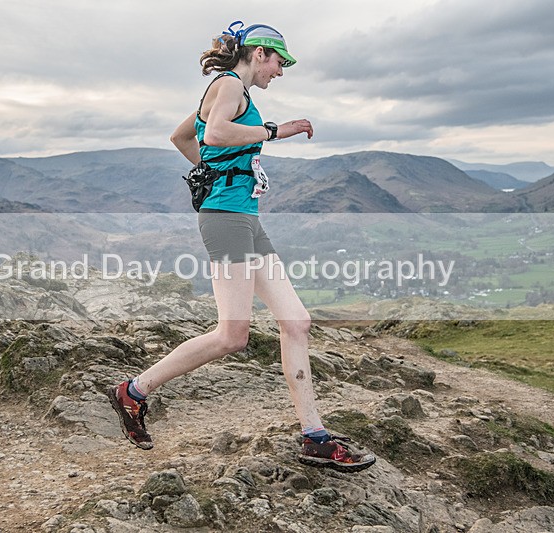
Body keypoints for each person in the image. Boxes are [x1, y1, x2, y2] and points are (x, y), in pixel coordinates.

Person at [108, 21, 376, 473]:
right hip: (227, 223)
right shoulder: (231, 85)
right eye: (279, 61)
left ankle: (314, 437)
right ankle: (132, 391)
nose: (281, 71)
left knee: (297, 321)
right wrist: (276, 131)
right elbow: (212, 134)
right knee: (232, 336)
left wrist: (210, 176)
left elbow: (183, 137)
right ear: (258, 54)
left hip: (246, 219)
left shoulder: (230, 91)